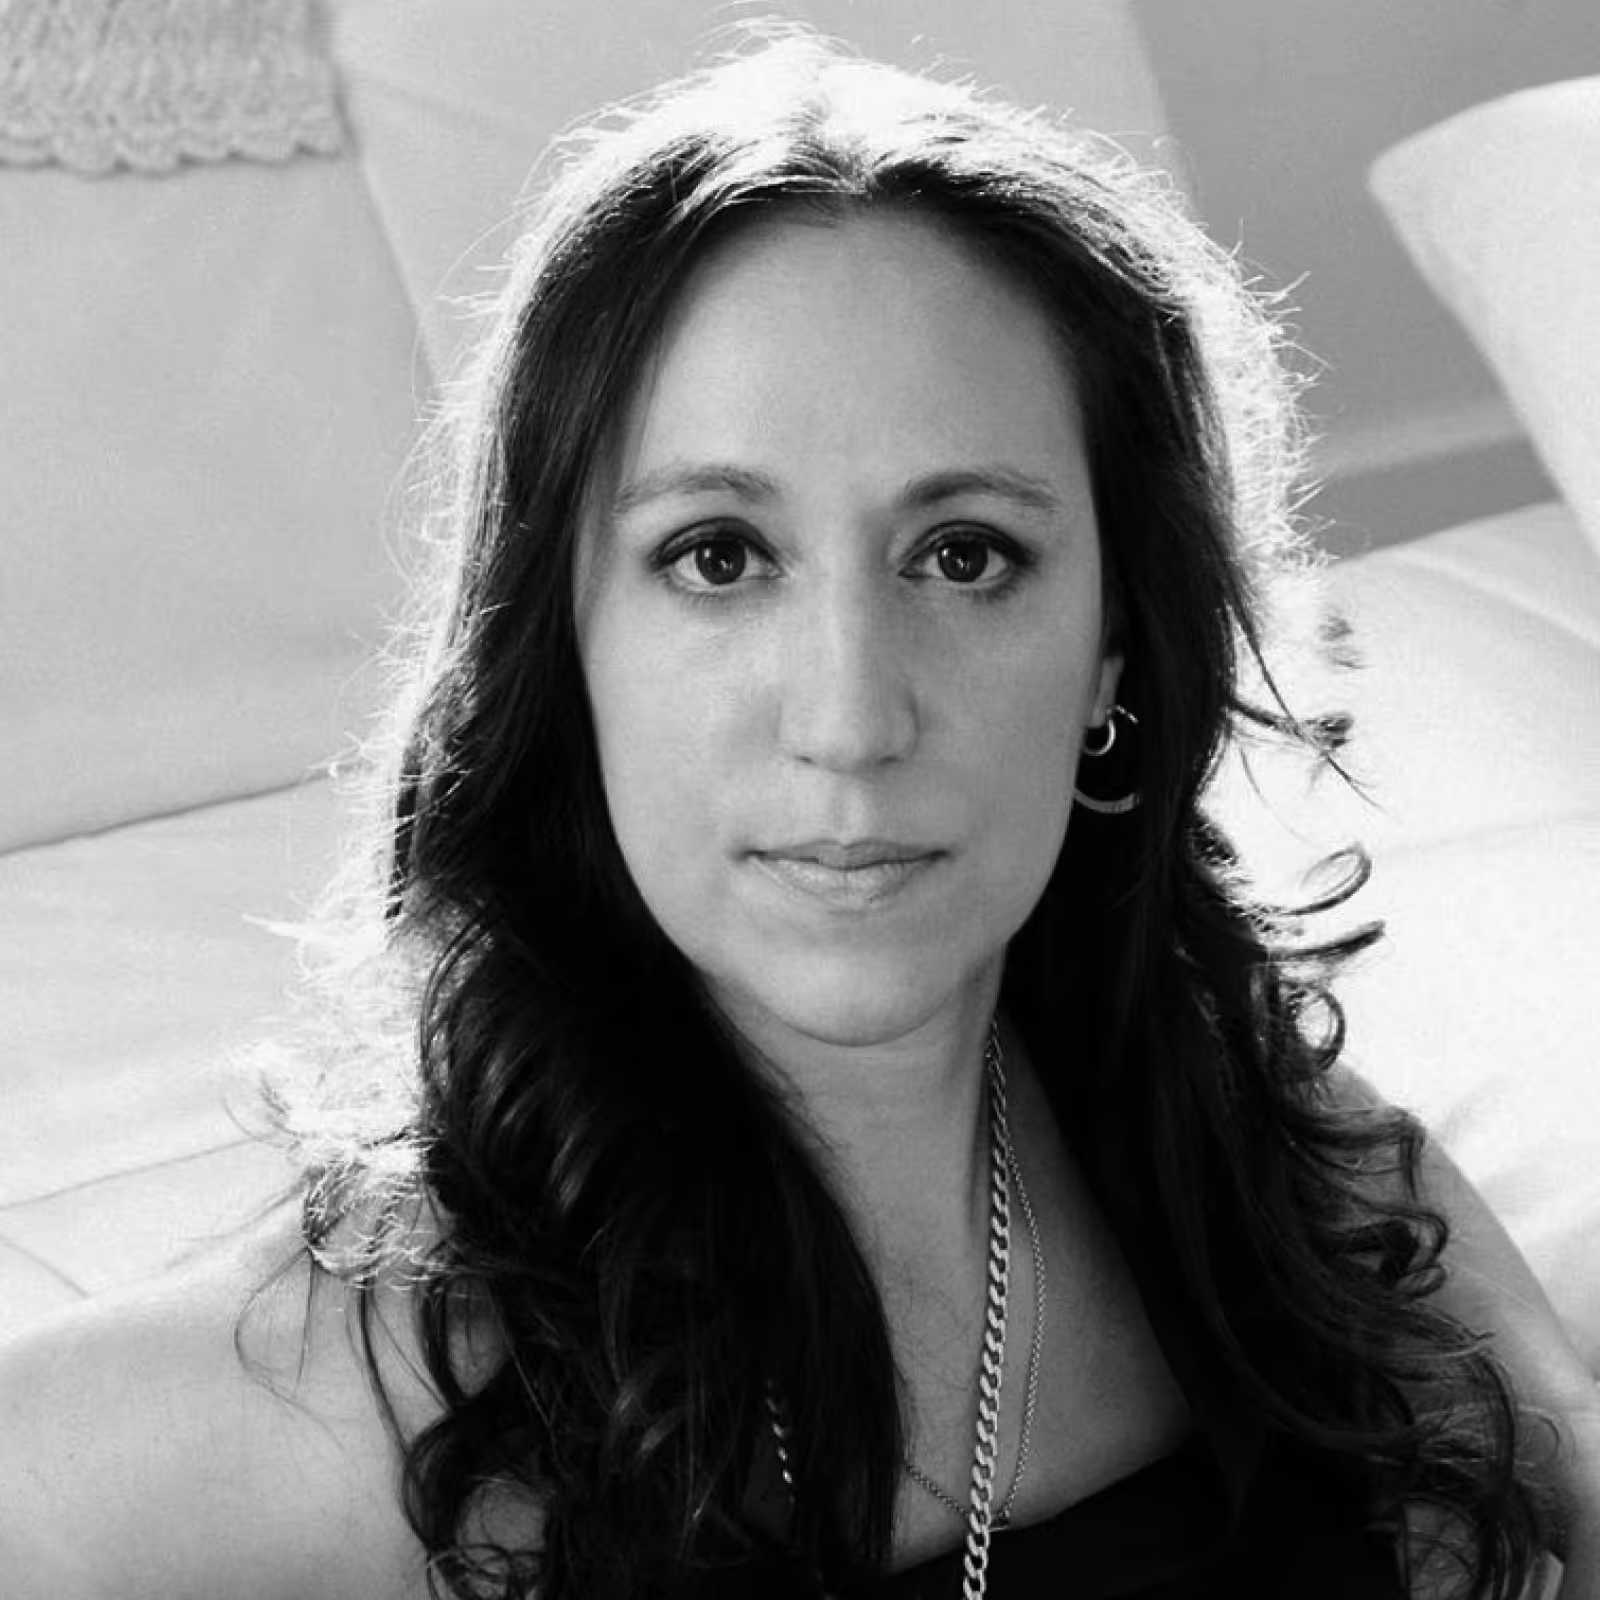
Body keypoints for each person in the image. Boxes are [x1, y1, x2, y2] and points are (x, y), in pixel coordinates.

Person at [1, 29, 1596, 1600]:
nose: (849, 719)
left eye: (965, 556)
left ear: (1113, 646)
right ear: (566, 645)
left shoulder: (1281, 1173)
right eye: (718, 557)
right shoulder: (389, 1370)